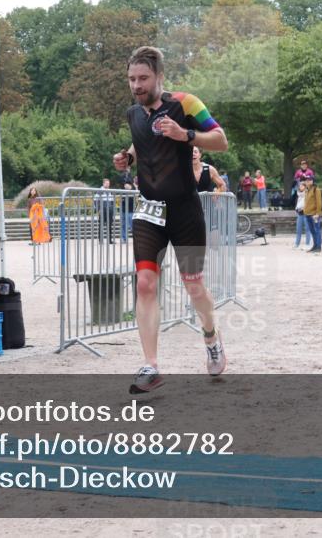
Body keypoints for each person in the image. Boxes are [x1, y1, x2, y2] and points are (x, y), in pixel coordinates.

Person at [112, 46, 229, 393]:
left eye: (143, 78)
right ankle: (151, 365)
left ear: (159, 76)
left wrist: (186, 135)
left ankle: (211, 337)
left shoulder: (186, 103)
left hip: (184, 211)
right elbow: (142, 142)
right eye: (132, 79)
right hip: (149, 212)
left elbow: (221, 140)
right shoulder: (134, 113)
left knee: (193, 284)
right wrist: (127, 159)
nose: (136, 85)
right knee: (145, 282)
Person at [302, 174, 322, 253]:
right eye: (306, 180)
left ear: (312, 181)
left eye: (309, 180)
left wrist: (318, 213)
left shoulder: (316, 190)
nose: (307, 181)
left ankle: (319, 246)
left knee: (317, 230)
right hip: (307, 214)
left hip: (314, 214)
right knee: (312, 231)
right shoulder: (307, 190)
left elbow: (319, 202)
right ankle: (315, 245)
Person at [93, 178, 116, 244]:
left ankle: (109, 240)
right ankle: (101, 241)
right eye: (106, 183)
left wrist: (113, 210)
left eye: (108, 183)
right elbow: (95, 200)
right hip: (102, 210)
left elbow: (112, 201)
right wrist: (98, 210)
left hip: (109, 210)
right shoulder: (99, 191)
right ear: (103, 184)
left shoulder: (110, 190)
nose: (108, 184)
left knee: (109, 225)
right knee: (101, 225)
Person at [293, 180, 310, 249]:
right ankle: (297, 244)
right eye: (299, 186)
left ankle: (307, 244)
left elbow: (308, 203)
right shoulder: (299, 194)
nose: (300, 187)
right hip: (300, 214)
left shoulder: (307, 194)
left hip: (306, 213)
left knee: (307, 229)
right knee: (298, 229)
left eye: (302, 186)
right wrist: (297, 209)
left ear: (305, 187)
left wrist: (304, 208)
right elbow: (298, 204)